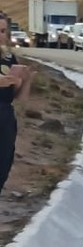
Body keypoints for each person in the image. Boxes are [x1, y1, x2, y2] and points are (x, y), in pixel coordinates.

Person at [0, 13, 35, 196]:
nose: (2, 35)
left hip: (5, 118)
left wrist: (25, 80)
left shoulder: (7, 58)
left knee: (3, 165)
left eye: (4, 31)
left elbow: (19, 97)